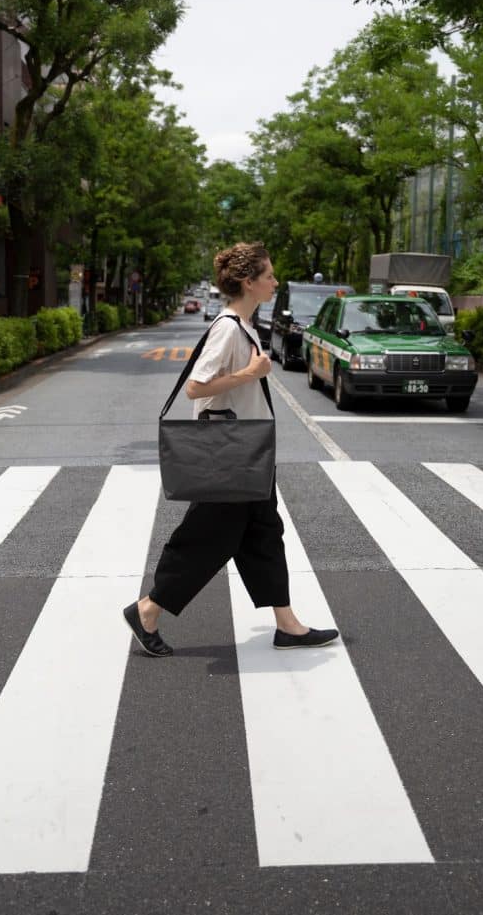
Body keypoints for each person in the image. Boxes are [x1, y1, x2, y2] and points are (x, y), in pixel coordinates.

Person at [122, 242, 339, 657]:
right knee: (207, 538)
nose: (275, 282)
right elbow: (195, 388)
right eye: (270, 276)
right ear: (249, 282)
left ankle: (287, 624)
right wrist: (249, 373)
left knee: (264, 535)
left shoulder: (246, 326)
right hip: (229, 454)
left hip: (248, 451)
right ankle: (148, 609)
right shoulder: (227, 327)